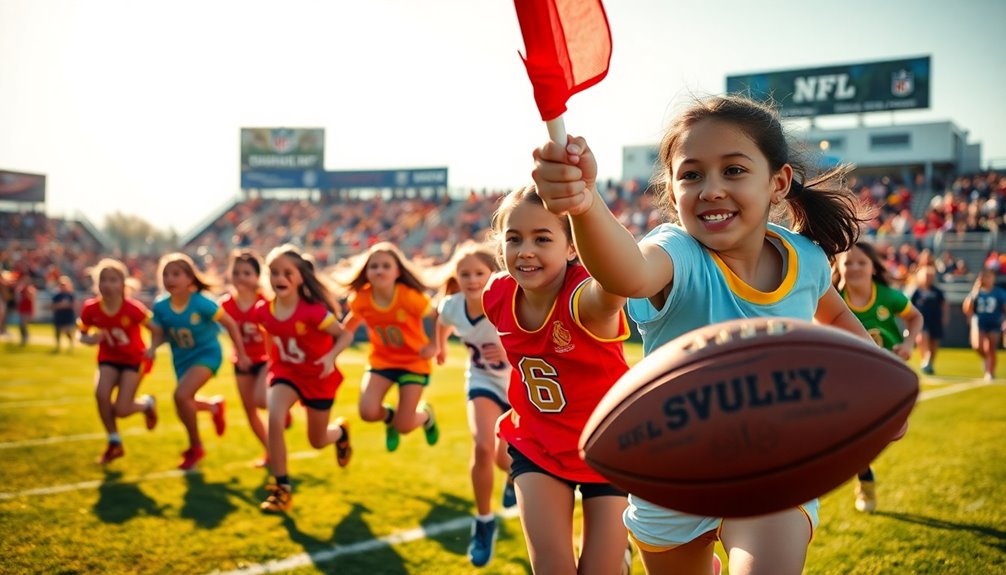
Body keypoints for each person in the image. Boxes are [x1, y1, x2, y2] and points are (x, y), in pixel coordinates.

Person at [532, 94, 873, 575]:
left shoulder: (808, 260)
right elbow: (627, 273)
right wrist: (585, 206)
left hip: (771, 469)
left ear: (778, 182)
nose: (711, 189)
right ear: (673, 193)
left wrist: (881, 377)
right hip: (669, 475)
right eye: (691, 174)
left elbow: (835, 317)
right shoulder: (677, 252)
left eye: (733, 170)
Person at [483, 185, 633, 575]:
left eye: (542, 238)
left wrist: (587, 206)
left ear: (572, 248)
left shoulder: (585, 298)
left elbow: (616, 285)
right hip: (538, 444)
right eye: (513, 239)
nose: (525, 250)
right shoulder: (496, 294)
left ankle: (623, 557)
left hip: (608, 450)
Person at [253, 245, 354, 513]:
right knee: (274, 418)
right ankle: (282, 489)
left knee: (317, 440)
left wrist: (331, 357)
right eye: (274, 272)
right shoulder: (263, 310)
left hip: (318, 377)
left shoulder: (313, 312)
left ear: (300, 277)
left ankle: (340, 432)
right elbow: (270, 333)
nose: (280, 278)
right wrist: (270, 364)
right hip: (287, 374)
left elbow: (344, 335)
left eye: (287, 272)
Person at [433, 240, 515, 567]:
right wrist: (439, 347)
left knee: (502, 458)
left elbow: (538, 337)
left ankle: (511, 476)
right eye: (464, 273)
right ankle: (483, 522)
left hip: (518, 388)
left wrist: (509, 351)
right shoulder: (453, 305)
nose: (471, 279)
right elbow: (442, 320)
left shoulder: (509, 300)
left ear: (492, 274)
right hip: (482, 381)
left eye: (478, 272)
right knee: (482, 447)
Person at [835, 241, 923, 513]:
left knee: (887, 433)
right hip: (852, 380)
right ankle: (865, 478)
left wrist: (908, 344)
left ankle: (865, 464)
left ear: (873, 267)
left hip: (889, 376)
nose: (855, 267)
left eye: (862, 262)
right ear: (838, 267)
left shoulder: (887, 296)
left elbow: (915, 317)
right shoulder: (832, 298)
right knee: (855, 436)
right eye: (849, 262)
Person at [145, 252, 250, 470]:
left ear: (190, 279)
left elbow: (230, 324)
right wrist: (152, 348)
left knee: (180, 395)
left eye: (176, 274)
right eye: (166, 274)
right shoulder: (161, 306)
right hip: (181, 359)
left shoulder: (202, 303)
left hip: (207, 355)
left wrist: (240, 353)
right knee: (184, 401)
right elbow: (160, 333)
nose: (170, 279)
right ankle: (213, 406)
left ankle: (196, 447)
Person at [338, 242, 439, 453]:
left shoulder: (409, 297)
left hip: (413, 363)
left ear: (397, 272)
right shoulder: (361, 299)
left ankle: (426, 415)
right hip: (382, 361)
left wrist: (433, 344)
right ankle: (390, 417)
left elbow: (435, 316)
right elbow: (347, 328)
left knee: (404, 427)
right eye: (374, 266)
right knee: (367, 412)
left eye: (386, 266)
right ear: (366, 272)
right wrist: (331, 353)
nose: (379, 270)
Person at [77, 259, 157, 464]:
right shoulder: (90, 308)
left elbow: (156, 330)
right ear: (97, 284)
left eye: (113, 280)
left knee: (122, 409)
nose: (107, 284)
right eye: (103, 280)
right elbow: (82, 334)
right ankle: (114, 442)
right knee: (101, 394)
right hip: (108, 358)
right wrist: (90, 339)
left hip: (133, 359)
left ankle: (147, 404)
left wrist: (153, 348)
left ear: (123, 284)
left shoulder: (133, 309)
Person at [219, 250, 272, 466]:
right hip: (242, 361)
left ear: (257, 277)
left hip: (266, 359)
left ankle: (283, 409)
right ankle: (270, 451)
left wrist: (271, 360)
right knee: (250, 410)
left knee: (262, 400)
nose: (241, 277)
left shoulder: (266, 302)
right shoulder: (225, 304)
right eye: (237, 272)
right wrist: (240, 355)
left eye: (247, 272)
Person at [962, 269, 1006, 382]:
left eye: (989, 276)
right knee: (977, 345)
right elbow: (967, 309)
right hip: (979, 322)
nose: (986, 279)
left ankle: (990, 372)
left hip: (994, 322)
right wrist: (974, 291)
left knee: (991, 348)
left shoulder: (999, 292)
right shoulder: (976, 292)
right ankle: (986, 359)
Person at [909, 264, 948, 375]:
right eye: (926, 275)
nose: (928, 278)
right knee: (922, 338)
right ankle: (925, 360)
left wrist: (944, 317)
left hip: (935, 320)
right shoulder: (917, 291)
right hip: (921, 320)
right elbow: (909, 306)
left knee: (934, 343)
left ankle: (930, 363)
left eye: (930, 276)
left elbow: (944, 305)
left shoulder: (937, 291)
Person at [52, 275, 77, 353]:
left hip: (67, 315)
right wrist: (61, 305)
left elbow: (73, 305)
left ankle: (71, 344)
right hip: (59, 315)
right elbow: (53, 306)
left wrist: (65, 305)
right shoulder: (57, 296)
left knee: (67, 331)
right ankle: (57, 346)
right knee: (58, 332)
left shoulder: (70, 295)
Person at [14, 273, 36, 346]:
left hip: (28, 309)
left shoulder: (31, 289)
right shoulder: (20, 289)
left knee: (23, 324)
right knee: (21, 325)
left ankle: (25, 337)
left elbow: (32, 300)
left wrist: (33, 312)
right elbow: (18, 300)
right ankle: (24, 337)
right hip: (22, 309)